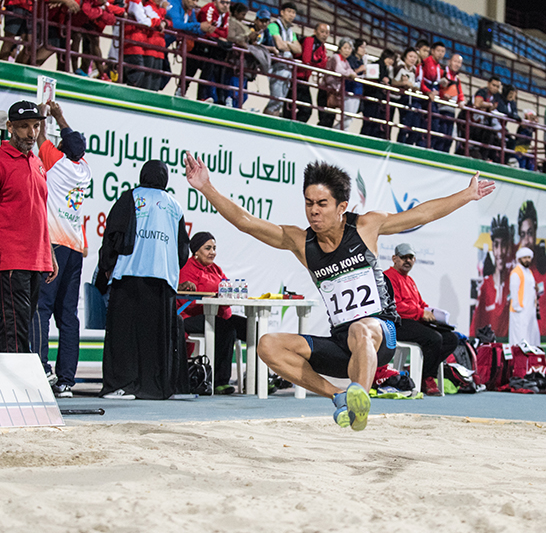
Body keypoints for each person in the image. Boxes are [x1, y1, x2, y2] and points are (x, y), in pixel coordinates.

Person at [183, 155, 495, 431]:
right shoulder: (299, 241)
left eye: (321, 204)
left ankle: (359, 399)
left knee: (361, 328)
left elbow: (422, 214)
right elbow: (246, 222)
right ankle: (341, 396)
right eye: (308, 203)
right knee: (267, 344)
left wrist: (466, 195)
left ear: (341, 206)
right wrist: (207, 187)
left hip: (379, 335)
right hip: (340, 343)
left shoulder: (365, 227)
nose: (313, 212)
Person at [97, 160, 192, 400]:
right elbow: (183, 250)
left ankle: (121, 385)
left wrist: (106, 265)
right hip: (162, 280)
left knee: (124, 334)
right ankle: (156, 387)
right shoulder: (175, 206)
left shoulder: (129, 198)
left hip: (129, 274)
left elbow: (113, 234)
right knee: (156, 337)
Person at [0, 101, 58, 359]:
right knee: (15, 330)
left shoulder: (37, 163)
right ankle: (14, 393)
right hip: (10, 260)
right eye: (23, 127)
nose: (31, 133)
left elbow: (39, 213)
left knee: (15, 327)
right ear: (10, 127)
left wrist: (50, 254)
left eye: (35, 126)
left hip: (36, 259)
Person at [32, 102, 91, 398]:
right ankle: (66, 379)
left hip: (53, 245)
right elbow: (73, 144)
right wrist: (62, 120)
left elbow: (40, 137)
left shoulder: (56, 162)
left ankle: (41, 368)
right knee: (68, 315)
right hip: (75, 248)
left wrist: (49, 115)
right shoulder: (84, 169)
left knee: (41, 307)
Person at [178, 232, 248, 395]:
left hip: (218, 315)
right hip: (191, 317)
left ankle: (258, 378)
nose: (212, 252)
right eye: (208, 248)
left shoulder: (216, 269)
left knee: (251, 328)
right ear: (195, 251)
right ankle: (219, 381)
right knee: (226, 330)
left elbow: (227, 289)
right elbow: (186, 301)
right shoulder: (186, 269)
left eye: (214, 248)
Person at [384, 243, 459, 396]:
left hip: (414, 321)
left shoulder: (410, 280)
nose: (407, 261)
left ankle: (423, 371)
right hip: (397, 324)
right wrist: (421, 312)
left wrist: (433, 313)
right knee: (434, 338)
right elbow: (395, 307)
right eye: (403, 257)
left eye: (410, 257)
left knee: (452, 338)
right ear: (394, 259)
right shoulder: (388, 277)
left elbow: (420, 304)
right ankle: (427, 377)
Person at [470, 214, 513, 343]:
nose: (500, 252)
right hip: (489, 348)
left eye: (504, 245)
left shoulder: (513, 281)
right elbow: (475, 324)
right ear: (492, 248)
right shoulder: (486, 285)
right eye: (496, 245)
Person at [517, 200, 546, 338]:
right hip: (523, 329)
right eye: (522, 235)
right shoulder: (517, 268)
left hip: (544, 332)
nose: (527, 240)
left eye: (529, 233)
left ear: (535, 232)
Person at [193, 0, 231, 102]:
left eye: (228, 3)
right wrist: (220, 36)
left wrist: (218, 35)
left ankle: (220, 98)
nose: (225, 5)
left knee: (216, 69)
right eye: (222, 2)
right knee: (192, 72)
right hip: (197, 45)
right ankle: (190, 93)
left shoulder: (226, 13)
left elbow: (225, 33)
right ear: (215, 1)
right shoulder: (208, 9)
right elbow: (208, 31)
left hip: (212, 47)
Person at [263, 2, 302, 116]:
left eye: (294, 12)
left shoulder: (291, 31)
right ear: (282, 12)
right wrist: (291, 45)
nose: (291, 15)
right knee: (276, 99)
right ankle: (265, 122)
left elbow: (299, 49)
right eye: (289, 11)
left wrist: (287, 44)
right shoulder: (274, 26)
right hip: (276, 66)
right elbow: (279, 45)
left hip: (287, 69)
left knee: (280, 102)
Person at [69, 0, 116, 76]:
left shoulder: (102, 4)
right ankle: (75, 69)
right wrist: (100, 11)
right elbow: (88, 12)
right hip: (71, 22)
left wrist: (100, 12)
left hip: (85, 24)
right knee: (77, 36)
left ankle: (102, 74)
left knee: (95, 38)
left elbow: (112, 19)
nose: (105, 0)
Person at [296, 23, 330, 123]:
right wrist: (316, 62)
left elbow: (324, 65)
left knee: (305, 109)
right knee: (303, 109)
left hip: (304, 80)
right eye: (322, 32)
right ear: (315, 32)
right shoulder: (309, 40)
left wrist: (314, 62)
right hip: (295, 78)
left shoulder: (322, 47)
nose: (324, 35)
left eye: (327, 33)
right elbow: (306, 60)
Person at [359, 49, 396, 139]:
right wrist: (384, 80)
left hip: (376, 99)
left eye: (393, 60)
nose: (391, 61)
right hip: (372, 97)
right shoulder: (377, 65)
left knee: (373, 123)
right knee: (369, 122)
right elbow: (375, 80)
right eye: (390, 59)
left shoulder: (384, 68)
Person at [432, 53, 464, 153]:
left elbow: (460, 94)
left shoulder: (457, 79)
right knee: (440, 136)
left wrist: (462, 101)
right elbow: (435, 86)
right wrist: (442, 94)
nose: (457, 64)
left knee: (448, 138)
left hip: (451, 112)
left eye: (459, 63)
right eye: (455, 61)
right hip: (440, 110)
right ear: (449, 61)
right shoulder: (442, 73)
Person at [320, 38, 355, 129]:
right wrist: (350, 74)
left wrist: (353, 74)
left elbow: (350, 70)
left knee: (331, 118)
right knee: (325, 118)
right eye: (345, 48)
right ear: (340, 48)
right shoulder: (336, 57)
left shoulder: (345, 61)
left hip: (334, 92)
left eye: (349, 49)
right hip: (326, 90)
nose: (347, 51)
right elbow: (338, 70)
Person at [508, 246, 539, 347]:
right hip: (519, 312)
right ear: (519, 259)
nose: (527, 260)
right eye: (525, 258)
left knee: (530, 337)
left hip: (529, 311)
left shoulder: (529, 272)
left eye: (529, 258)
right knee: (519, 339)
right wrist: (518, 308)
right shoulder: (516, 272)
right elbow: (514, 291)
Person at [467, 76, 503, 160]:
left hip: (482, 124)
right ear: (488, 84)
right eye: (493, 85)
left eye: (497, 86)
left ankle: (484, 157)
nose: (495, 88)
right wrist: (489, 105)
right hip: (471, 122)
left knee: (492, 135)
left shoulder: (496, 97)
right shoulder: (482, 91)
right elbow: (477, 103)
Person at [393, 47, 422, 145]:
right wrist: (402, 83)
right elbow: (392, 81)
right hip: (399, 98)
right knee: (404, 126)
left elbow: (413, 85)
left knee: (414, 128)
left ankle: (408, 145)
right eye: (410, 56)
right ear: (405, 57)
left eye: (415, 57)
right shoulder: (399, 67)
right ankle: (400, 145)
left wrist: (413, 87)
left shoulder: (414, 71)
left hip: (410, 99)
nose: (413, 59)